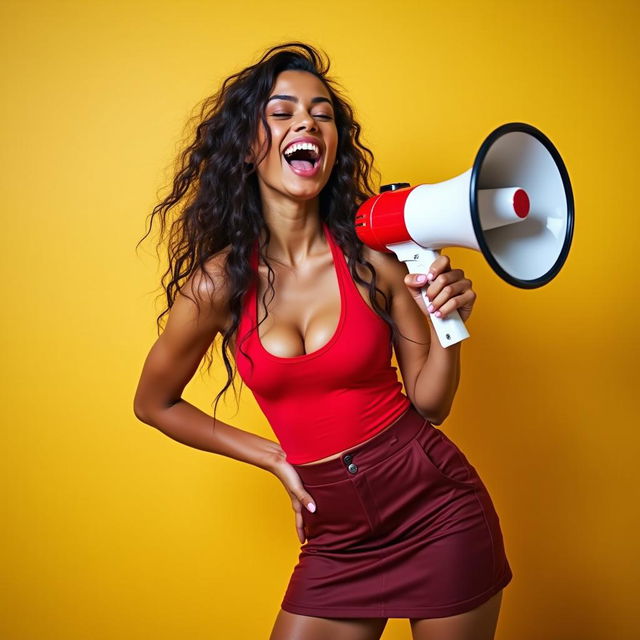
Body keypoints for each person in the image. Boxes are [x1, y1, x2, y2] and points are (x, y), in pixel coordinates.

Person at [133, 42, 513, 640]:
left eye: (322, 114)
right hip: (335, 537)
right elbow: (153, 403)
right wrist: (276, 458)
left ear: (333, 146)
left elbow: (432, 404)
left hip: (437, 511)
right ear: (248, 145)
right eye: (281, 113)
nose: (306, 122)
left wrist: (448, 322)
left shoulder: (376, 262)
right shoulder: (218, 284)